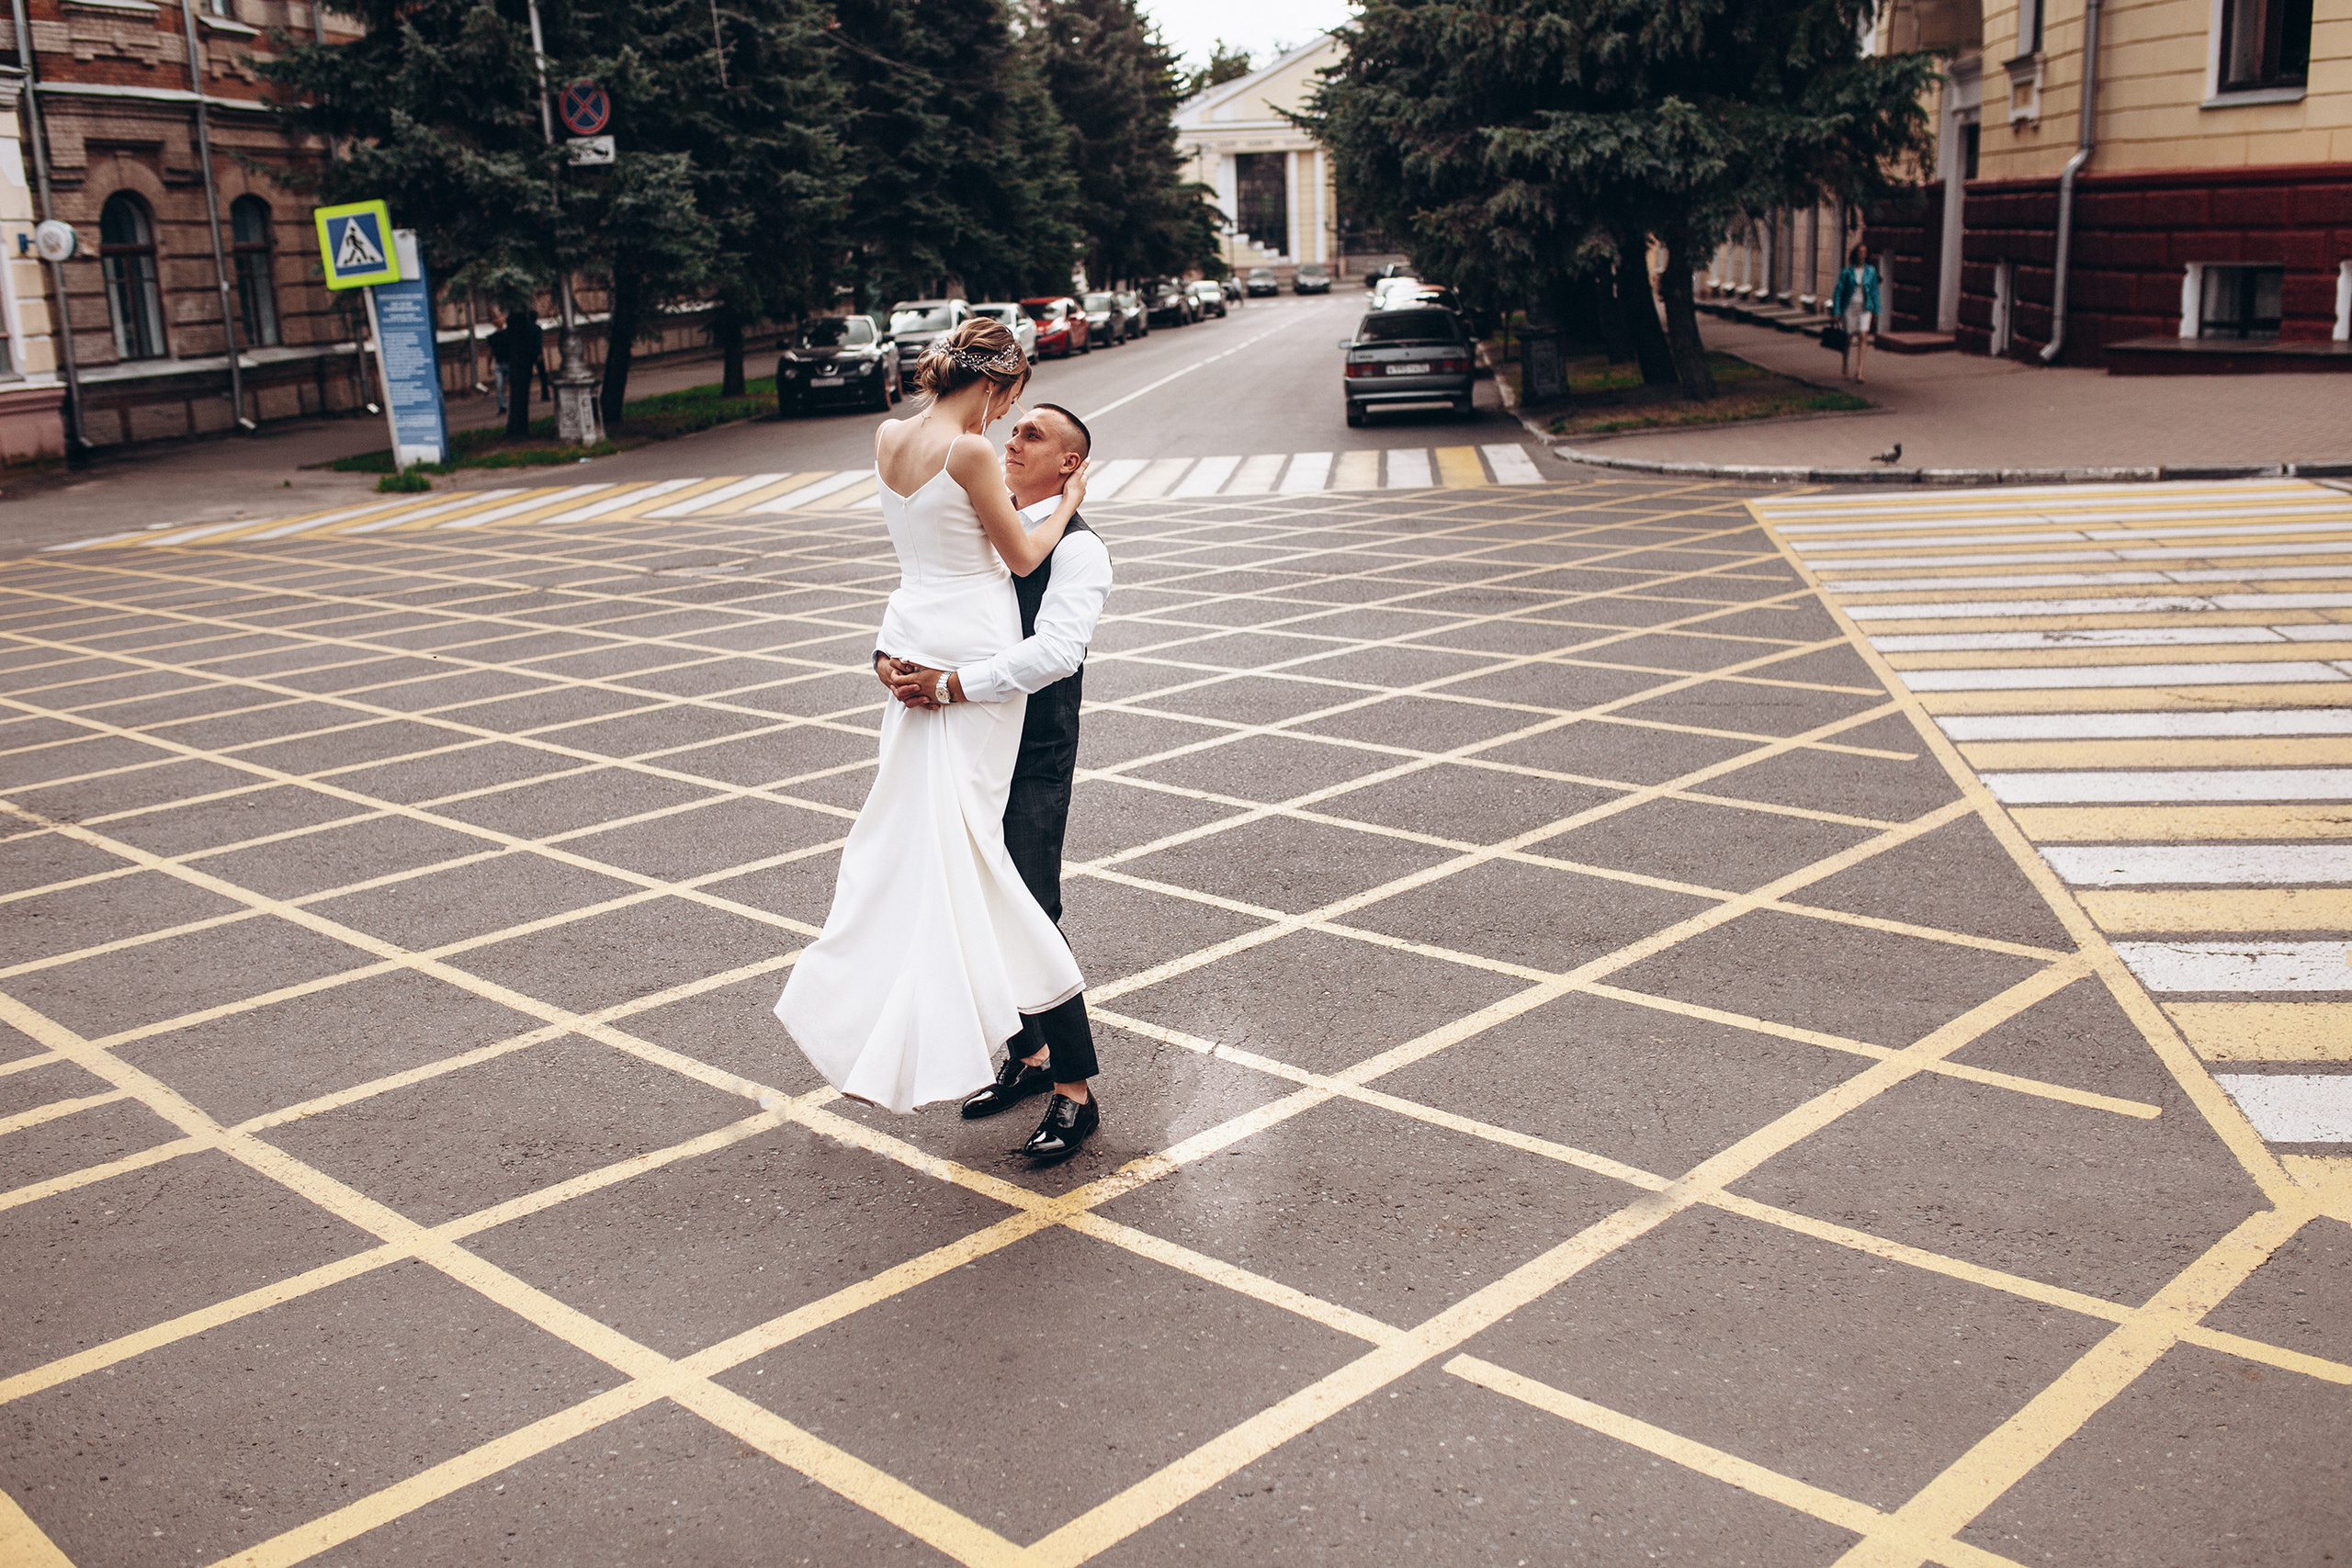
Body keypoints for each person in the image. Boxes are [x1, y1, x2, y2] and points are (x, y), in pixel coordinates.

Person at [775, 317, 1091, 1122]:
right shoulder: (969, 451)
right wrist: (1069, 502)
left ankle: (1018, 1048)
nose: (1005, 422)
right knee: (972, 852)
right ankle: (1045, 1058)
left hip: (914, 639)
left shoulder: (888, 437)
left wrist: (886, 653)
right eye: (1010, 403)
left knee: (925, 840)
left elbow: (916, 558)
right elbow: (1022, 556)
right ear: (994, 383)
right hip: (971, 657)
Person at [875, 402, 1112, 1159]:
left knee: (1031, 908)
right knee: (972, 900)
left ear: (1069, 464)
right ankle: (1030, 1056)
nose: (1013, 440)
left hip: (1033, 749)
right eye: (1013, 429)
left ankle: (1075, 1091)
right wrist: (886, 660)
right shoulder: (987, 518)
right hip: (966, 745)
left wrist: (952, 685)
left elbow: (1058, 652)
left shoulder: (1079, 549)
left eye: (1032, 435)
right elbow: (929, 593)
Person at [1831, 245, 1881, 383]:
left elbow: (1875, 292)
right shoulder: (1847, 272)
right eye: (1860, 252)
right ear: (1855, 254)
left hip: (1865, 308)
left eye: (1865, 252)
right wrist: (1836, 311)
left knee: (1863, 336)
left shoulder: (1871, 271)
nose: (1862, 255)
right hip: (1850, 307)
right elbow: (1839, 291)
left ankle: (1859, 371)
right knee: (1848, 337)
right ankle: (1845, 366)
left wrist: (1876, 310)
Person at [500, 309, 545, 439]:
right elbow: (538, 342)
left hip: (522, 357)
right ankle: (545, 394)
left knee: (521, 380)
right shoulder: (535, 328)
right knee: (541, 375)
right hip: (532, 354)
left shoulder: (520, 328)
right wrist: (539, 353)